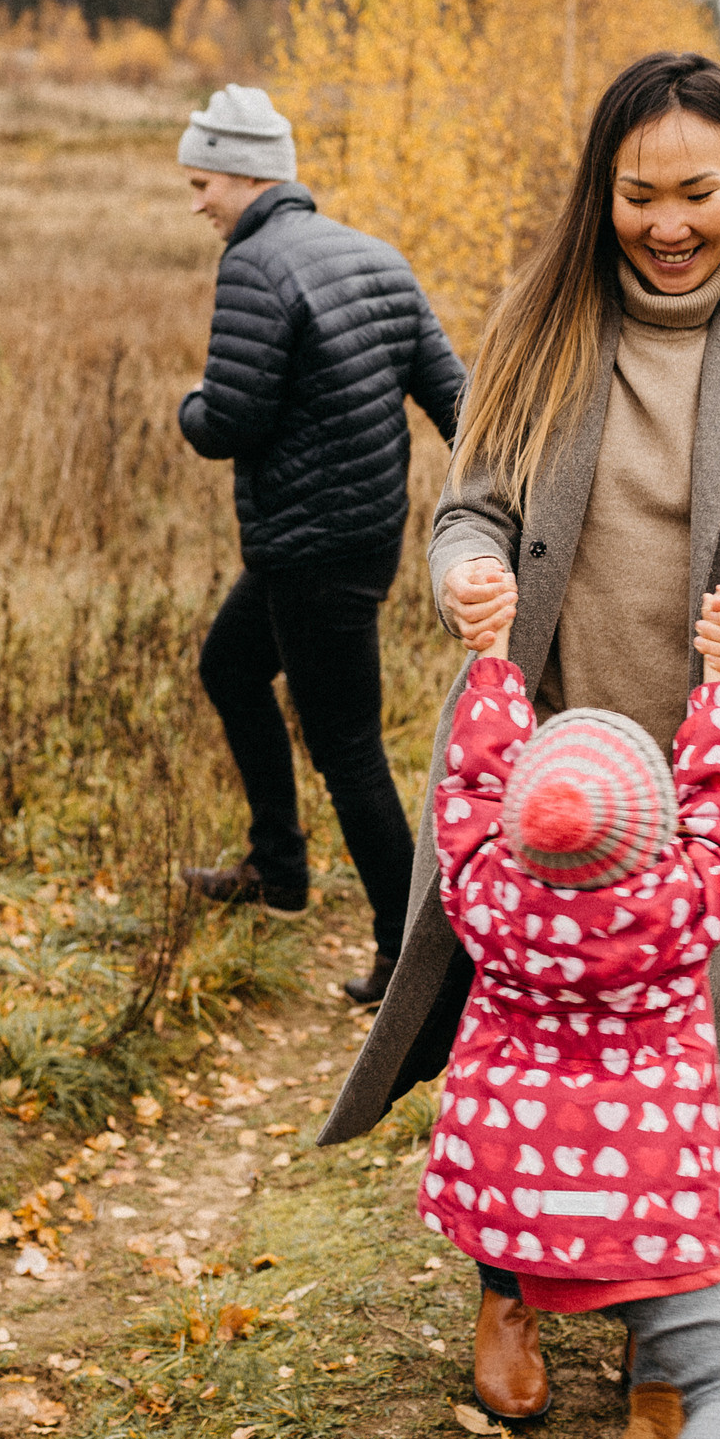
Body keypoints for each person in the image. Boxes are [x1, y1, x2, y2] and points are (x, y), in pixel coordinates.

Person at [317, 51, 720, 1439]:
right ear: (601, 190)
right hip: (539, 761)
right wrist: (462, 573)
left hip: (705, 755)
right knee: (521, 1030)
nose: (669, 220)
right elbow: (472, 504)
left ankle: (666, 1327)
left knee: (686, 1040)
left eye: (698, 190)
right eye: (641, 193)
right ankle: (506, 1282)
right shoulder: (542, 312)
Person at [421, 619, 720, 1439]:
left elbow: (469, 786)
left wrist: (497, 667)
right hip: (649, 1199)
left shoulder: (484, 890)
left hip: (521, 1196)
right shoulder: (684, 902)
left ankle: (647, 1402)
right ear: (660, 822)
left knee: (658, 1334)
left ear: (518, 821)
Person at [173, 84, 468, 1005]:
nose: (197, 204)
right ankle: (279, 868)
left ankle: (414, 957)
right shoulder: (375, 257)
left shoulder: (256, 265)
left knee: (346, 747)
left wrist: (189, 407)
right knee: (227, 665)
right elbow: (456, 396)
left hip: (311, 552)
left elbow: (231, 419)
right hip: (357, 539)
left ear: (245, 172)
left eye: (201, 181)